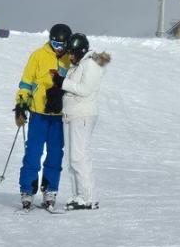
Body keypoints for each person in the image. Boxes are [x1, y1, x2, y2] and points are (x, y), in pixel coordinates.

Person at [14, 23, 72, 210]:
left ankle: (50, 189)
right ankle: (27, 190)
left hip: (58, 115)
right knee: (33, 152)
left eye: (62, 45)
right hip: (39, 113)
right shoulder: (38, 55)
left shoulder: (70, 60)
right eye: (55, 44)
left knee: (55, 153)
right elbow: (26, 82)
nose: (59, 49)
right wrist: (21, 105)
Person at [51, 33, 110, 210]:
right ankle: (78, 195)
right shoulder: (79, 64)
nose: (69, 56)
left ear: (80, 50)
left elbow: (85, 89)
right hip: (72, 115)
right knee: (72, 158)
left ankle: (89, 197)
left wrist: (62, 83)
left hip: (83, 115)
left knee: (79, 156)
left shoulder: (90, 64)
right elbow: (73, 87)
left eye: (72, 53)